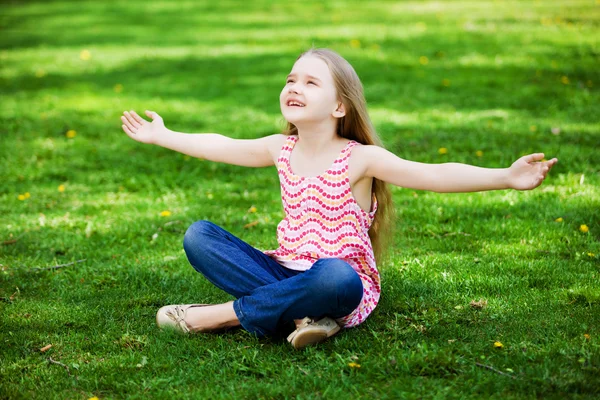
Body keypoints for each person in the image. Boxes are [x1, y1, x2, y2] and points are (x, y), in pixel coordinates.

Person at [120, 48, 557, 349]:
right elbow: (220, 144)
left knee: (337, 280)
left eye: (311, 82)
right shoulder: (280, 147)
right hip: (285, 267)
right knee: (200, 236)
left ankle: (216, 316)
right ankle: (304, 317)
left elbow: (433, 174)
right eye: (291, 79)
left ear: (339, 107)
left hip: (337, 277)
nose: (295, 86)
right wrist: (164, 135)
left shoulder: (360, 159)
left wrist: (506, 176)